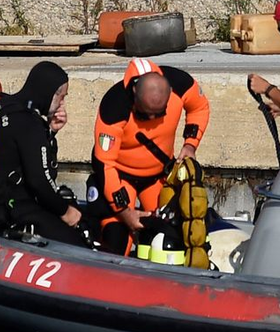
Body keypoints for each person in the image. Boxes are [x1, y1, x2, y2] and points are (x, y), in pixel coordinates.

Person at [90, 57, 210, 255]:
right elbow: (105, 164)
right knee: (116, 237)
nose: (153, 120)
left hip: (157, 176)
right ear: (134, 95)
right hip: (120, 177)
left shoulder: (180, 83)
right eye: (146, 115)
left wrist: (190, 144)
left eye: (159, 113)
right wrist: (123, 210)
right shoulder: (114, 106)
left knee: (171, 235)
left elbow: (199, 107)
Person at [0, 61, 88, 247]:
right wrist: (66, 212)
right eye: (61, 97)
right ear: (50, 93)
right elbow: (40, 181)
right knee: (76, 240)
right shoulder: (30, 124)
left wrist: (50, 132)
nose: (62, 104)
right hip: (14, 210)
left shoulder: (6, 105)